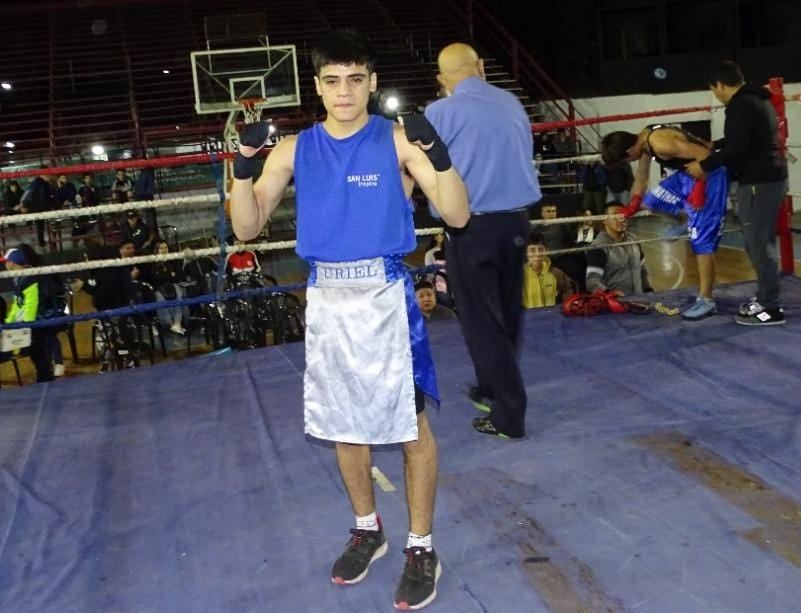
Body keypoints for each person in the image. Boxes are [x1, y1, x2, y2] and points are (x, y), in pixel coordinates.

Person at [230, 30, 468, 610]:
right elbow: (245, 227)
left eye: (355, 80)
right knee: (345, 427)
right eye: (332, 81)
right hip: (328, 301)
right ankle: (368, 528)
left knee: (411, 429)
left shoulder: (396, 141)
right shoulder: (292, 150)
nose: (344, 92)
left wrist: (436, 155)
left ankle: (421, 545)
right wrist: (241, 167)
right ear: (317, 86)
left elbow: (458, 214)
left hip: (385, 299)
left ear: (371, 83)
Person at [425, 42, 541, 439]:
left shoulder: (441, 111)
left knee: (481, 322)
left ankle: (509, 414)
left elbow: (424, 167)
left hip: (471, 228)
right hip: (517, 224)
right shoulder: (512, 102)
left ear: (442, 79)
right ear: (480, 66)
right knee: (508, 313)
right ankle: (491, 386)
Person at [686, 61, 789, 326]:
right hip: (768, 179)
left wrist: (704, 165)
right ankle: (767, 298)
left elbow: (739, 147)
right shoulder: (756, 99)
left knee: (757, 244)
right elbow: (745, 138)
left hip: (758, 182)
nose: (716, 95)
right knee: (760, 242)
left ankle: (770, 308)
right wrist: (715, 145)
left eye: (715, 90)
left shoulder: (740, 105)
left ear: (720, 85)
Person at [601, 122, 728, 320]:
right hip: (687, 176)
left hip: (709, 175)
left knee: (701, 243)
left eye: (626, 159)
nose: (630, 162)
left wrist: (699, 190)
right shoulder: (643, 138)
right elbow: (642, 176)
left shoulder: (660, 143)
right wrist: (633, 204)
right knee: (650, 201)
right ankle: (685, 221)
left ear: (629, 150)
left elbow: (706, 155)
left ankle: (706, 300)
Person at [0, 246, 59, 382]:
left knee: (38, 354)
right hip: (26, 323)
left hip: (34, 323)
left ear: (12, 263)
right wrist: (9, 323)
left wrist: (27, 326)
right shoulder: (18, 277)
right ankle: (44, 377)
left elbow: (31, 304)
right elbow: (17, 303)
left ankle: (46, 378)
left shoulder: (28, 278)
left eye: (6, 262)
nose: (4, 265)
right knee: (36, 354)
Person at [586, 203, 653, 296]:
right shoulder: (598, 247)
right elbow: (591, 282)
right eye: (615, 215)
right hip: (616, 305)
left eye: (623, 214)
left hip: (639, 300)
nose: (621, 219)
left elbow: (642, 268)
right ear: (604, 220)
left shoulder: (633, 240)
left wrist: (648, 289)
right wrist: (610, 293)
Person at [522, 232, 576, 308]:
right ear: (526, 253)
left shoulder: (556, 273)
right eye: (532, 250)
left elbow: (568, 289)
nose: (537, 254)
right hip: (529, 318)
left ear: (547, 251)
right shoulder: (520, 276)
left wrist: (565, 307)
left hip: (551, 317)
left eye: (541, 249)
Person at [150, 241, 187, 335]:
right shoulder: (152, 262)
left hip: (173, 285)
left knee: (179, 295)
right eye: (161, 248)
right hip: (159, 287)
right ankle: (171, 324)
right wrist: (170, 275)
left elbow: (180, 275)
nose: (164, 250)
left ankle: (177, 322)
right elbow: (154, 277)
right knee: (160, 299)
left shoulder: (173, 260)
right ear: (157, 250)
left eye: (165, 247)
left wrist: (167, 275)